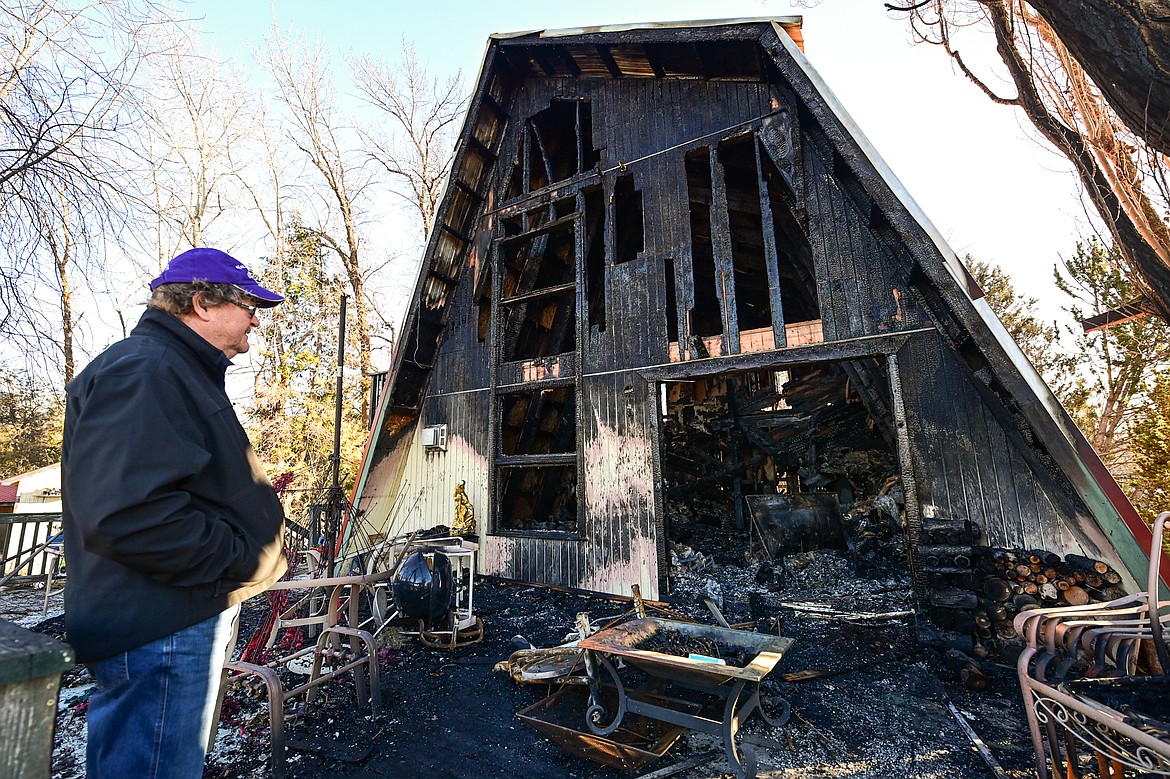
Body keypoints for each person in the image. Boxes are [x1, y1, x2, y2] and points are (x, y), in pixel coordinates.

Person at [62, 248, 288, 778]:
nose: (256, 320)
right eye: (249, 305)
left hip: (168, 617)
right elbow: (130, 515)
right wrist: (240, 557)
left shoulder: (172, 369)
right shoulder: (148, 370)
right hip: (160, 625)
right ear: (203, 303)